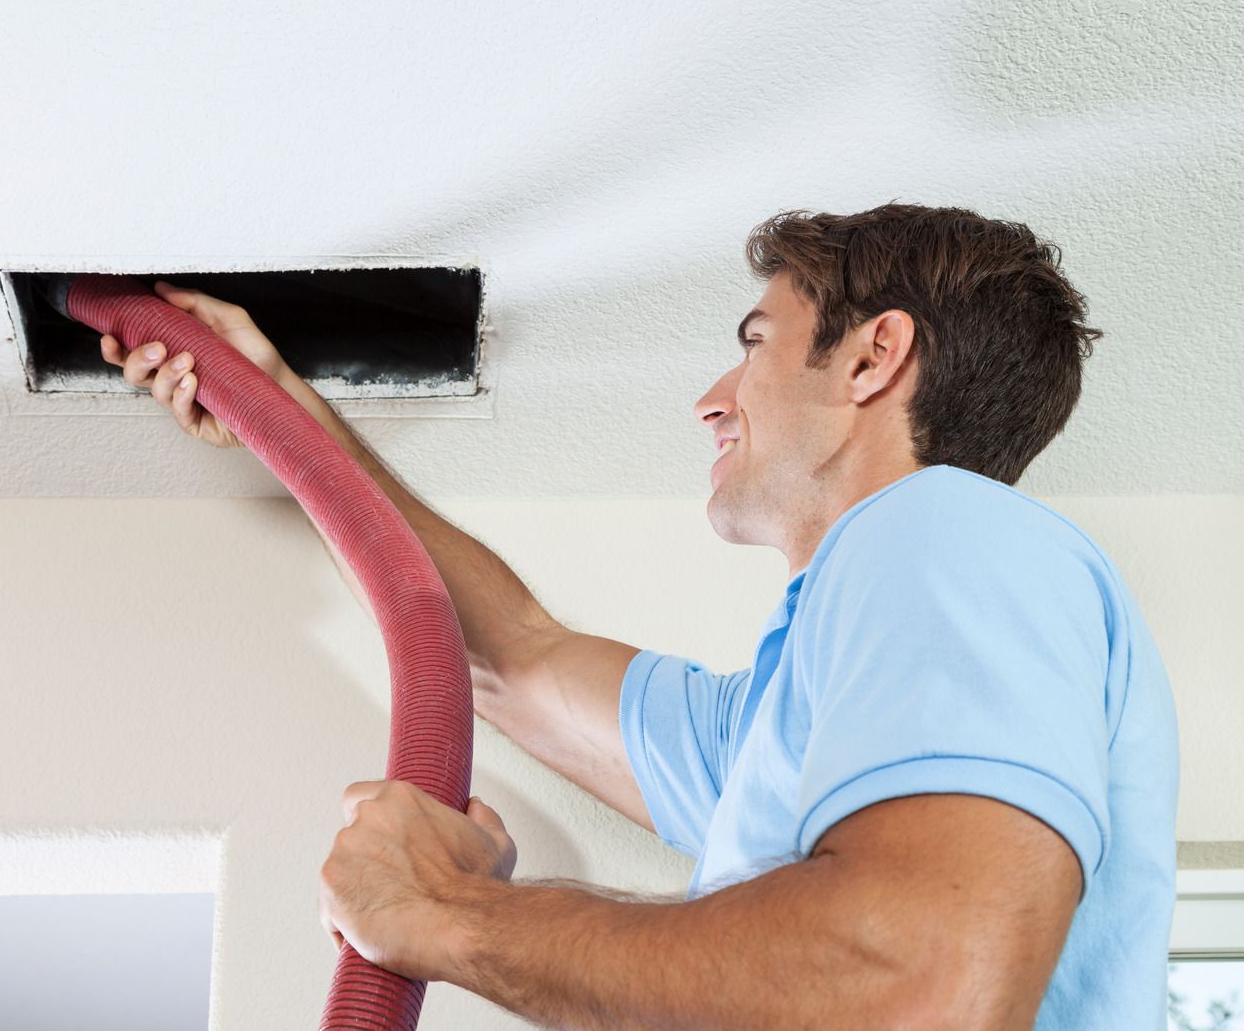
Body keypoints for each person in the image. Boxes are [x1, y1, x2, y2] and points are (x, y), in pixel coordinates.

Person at [102, 203, 1179, 1029]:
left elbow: (920, 978)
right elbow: (510, 658)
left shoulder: (946, 529)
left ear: (871, 355)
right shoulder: (788, 726)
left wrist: (444, 909)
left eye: (756, 340)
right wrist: (281, 409)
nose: (712, 396)